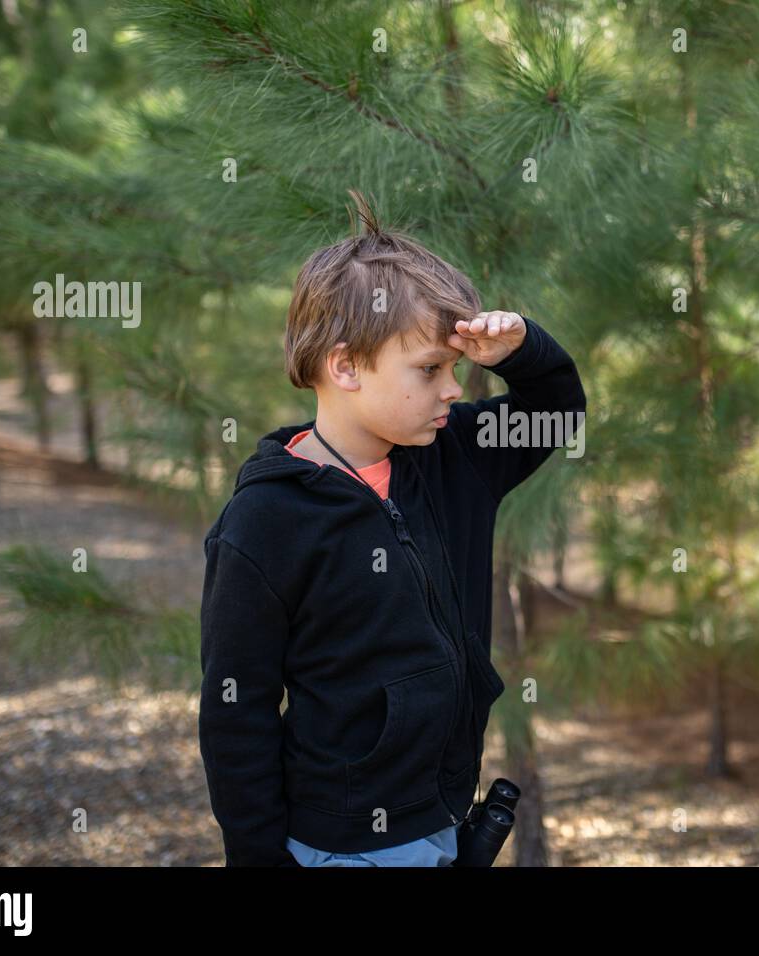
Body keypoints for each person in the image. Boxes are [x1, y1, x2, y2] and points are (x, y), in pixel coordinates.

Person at [197, 191, 587, 866]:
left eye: (457, 368)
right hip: (339, 843)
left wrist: (523, 352)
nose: (454, 390)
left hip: (441, 812)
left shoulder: (454, 459)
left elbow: (557, 413)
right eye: (431, 369)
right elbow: (237, 711)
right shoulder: (265, 523)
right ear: (345, 365)